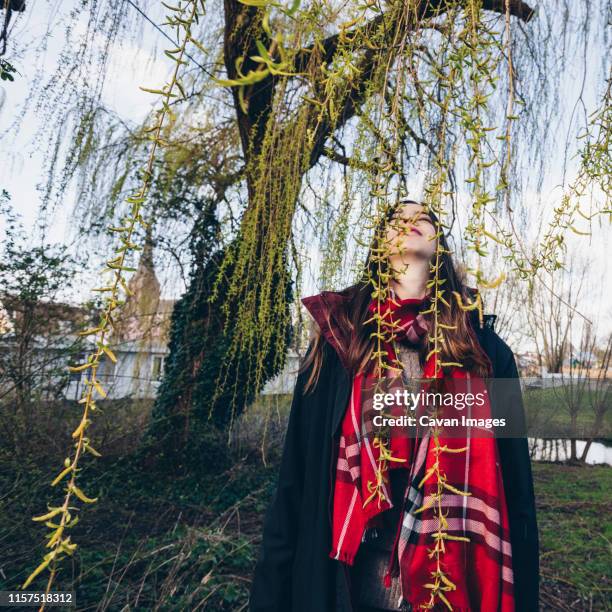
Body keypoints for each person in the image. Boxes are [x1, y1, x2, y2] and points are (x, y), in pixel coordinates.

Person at [249, 199, 539, 612]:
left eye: (424, 216)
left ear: (441, 246)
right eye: (396, 219)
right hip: (350, 588)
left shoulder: (486, 353)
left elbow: (516, 487)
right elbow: (295, 480)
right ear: (378, 247)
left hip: (452, 587)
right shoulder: (339, 344)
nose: (410, 221)